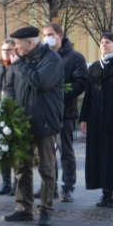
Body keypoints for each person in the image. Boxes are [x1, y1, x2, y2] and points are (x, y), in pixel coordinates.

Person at [4, 26, 64, 226]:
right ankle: (23, 207)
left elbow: (40, 82)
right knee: (21, 167)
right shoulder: (20, 61)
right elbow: (10, 88)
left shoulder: (52, 59)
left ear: (30, 43)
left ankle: (45, 210)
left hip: (45, 121)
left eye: (19, 46)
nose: (16, 50)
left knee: (47, 169)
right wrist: (9, 113)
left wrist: (19, 65)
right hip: (22, 122)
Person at [39, 23, 87, 203]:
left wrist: (57, 94)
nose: (46, 37)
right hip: (45, 113)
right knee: (47, 153)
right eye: (44, 34)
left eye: (50, 34)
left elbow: (81, 82)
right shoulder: (43, 56)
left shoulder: (75, 58)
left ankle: (68, 187)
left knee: (65, 151)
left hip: (64, 112)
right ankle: (50, 186)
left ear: (60, 35)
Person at [80, 32, 113, 208]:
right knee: (102, 155)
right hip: (96, 119)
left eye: (108, 42)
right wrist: (83, 117)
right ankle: (106, 193)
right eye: (102, 42)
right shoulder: (94, 67)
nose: (104, 45)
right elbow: (88, 95)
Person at [0, 39, 18, 196]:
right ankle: (5, 183)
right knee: (2, 150)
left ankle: (16, 183)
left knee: (14, 150)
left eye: (9, 49)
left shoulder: (18, 66)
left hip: (14, 113)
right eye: (3, 49)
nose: (6, 52)